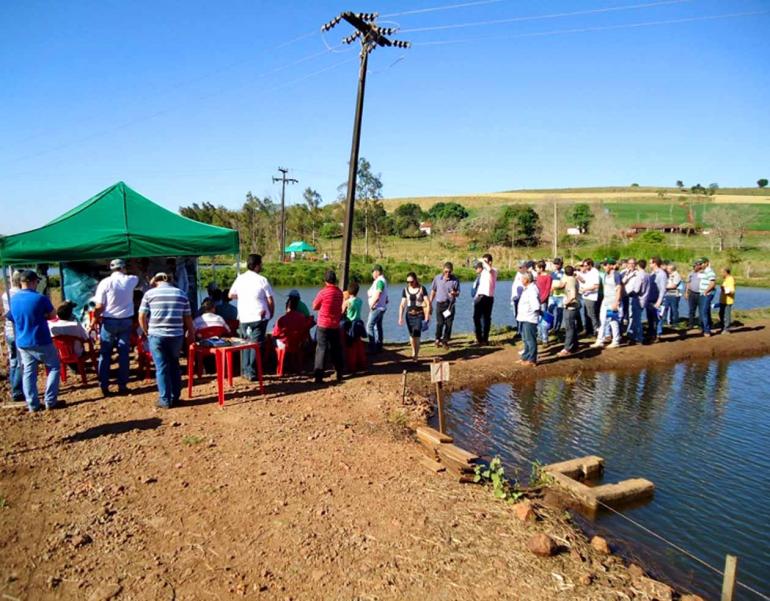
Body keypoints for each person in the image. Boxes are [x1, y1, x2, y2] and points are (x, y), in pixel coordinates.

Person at [7, 270, 61, 412]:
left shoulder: (13, 299)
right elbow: (53, 315)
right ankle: (50, 400)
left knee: (29, 372)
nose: (37, 284)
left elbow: (10, 316)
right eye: (37, 281)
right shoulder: (40, 298)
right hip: (41, 339)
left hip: (23, 341)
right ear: (32, 281)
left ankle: (33, 404)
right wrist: (42, 315)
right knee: (54, 367)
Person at [138, 273, 194, 408]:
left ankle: (165, 400)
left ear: (155, 281)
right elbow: (187, 318)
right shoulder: (181, 294)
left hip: (156, 335)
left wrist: (146, 331)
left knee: (161, 367)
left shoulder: (149, 294)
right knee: (174, 364)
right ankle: (176, 396)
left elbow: (142, 316)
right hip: (176, 335)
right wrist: (190, 332)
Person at [94, 258, 139, 396]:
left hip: (109, 321)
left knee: (105, 353)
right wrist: (133, 265)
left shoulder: (105, 282)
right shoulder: (131, 280)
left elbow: (99, 306)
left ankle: (104, 385)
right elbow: (137, 274)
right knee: (124, 353)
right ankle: (122, 385)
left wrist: (94, 319)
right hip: (126, 321)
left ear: (111, 269)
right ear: (124, 268)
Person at [229, 254, 275, 381]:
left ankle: (245, 370)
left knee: (245, 343)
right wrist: (271, 314)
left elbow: (230, 294)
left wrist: (243, 297)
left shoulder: (240, 278)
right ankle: (252, 372)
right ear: (256, 265)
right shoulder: (262, 279)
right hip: (259, 316)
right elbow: (270, 300)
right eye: (261, 264)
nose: (262, 266)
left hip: (243, 317)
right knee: (255, 345)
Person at [312, 270, 344, 383]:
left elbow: (314, 306)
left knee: (321, 349)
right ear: (335, 280)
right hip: (335, 325)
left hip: (323, 325)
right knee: (336, 349)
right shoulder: (340, 293)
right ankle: (339, 372)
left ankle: (319, 376)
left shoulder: (323, 292)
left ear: (325, 281)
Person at [1, 270, 24, 402]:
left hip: (9, 331)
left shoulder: (6, 293)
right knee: (21, 362)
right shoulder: (19, 294)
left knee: (14, 361)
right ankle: (17, 391)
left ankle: (15, 388)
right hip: (18, 332)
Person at [398, 272, 431, 361]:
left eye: (411, 281)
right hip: (409, 315)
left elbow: (427, 303)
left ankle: (416, 355)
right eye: (407, 282)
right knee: (412, 335)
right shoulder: (405, 290)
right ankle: (413, 351)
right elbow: (402, 304)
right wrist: (400, 317)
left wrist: (427, 316)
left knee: (417, 334)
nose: (409, 283)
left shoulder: (422, 289)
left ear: (415, 280)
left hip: (419, 314)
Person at [592, 260, 622, 349]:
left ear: (611, 265)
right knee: (602, 321)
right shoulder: (605, 275)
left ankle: (616, 340)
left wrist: (616, 303)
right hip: (605, 301)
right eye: (603, 265)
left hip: (613, 302)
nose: (604, 267)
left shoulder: (616, 275)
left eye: (605, 265)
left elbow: (619, 289)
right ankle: (600, 340)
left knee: (613, 321)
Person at [429, 262, 460, 348]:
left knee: (449, 324)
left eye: (449, 272)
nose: (447, 273)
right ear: (443, 270)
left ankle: (445, 341)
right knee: (440, 323)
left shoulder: (455, 280)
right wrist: (430, 302)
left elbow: (458, 293)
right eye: (446, 271)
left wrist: (454, 293)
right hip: (440, 305)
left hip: (450, 305)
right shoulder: (437, 278)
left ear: (452, 271)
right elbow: (433, 290)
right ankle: (437, 339)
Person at [516, 272, 540, 366]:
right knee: (526, 339)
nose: (521, 280)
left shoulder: (532, 290)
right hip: (524, 318)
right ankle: (525, 357)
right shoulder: (528, 288)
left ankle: (532, 360)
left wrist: (534, 313)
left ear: (526, 280)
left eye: (522, 279)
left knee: (530, 340)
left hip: (529, 318)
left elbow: (536, 305)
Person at [472, 254, 497, 345]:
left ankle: (484, 339)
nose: (483, 263)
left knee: (486, 319)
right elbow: (480, 286)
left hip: (487, 297)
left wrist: (483, 261)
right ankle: (479, 339)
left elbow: (489, 269)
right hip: (480, 297)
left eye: (486, 261)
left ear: (490, 262)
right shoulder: (483, 272)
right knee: (476, 318)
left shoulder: (493, 271)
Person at [557, 265, 579, 357]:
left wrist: (566, 303)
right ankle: (574, 345)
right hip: (573, 307)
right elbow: (561, 284)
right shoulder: (572, 278)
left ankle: (567, 349)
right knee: (572, 326)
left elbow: (573, 296)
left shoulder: (570, 281)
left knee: (569, 328)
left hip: (570, 307)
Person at [366, 264, 388, 353]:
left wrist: (372, 305)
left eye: (373, 272)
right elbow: (385, 297)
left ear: (376, 272)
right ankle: (379, 346)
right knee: (378, 326)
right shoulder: (382, 281)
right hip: (381, 307)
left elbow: (378, 293)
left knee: (369, 326)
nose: (372, 274)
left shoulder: (380, 281)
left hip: (377, 308)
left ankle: (372, 347)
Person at [577, 259, 600, 338]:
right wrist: (579, 277)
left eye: (586, 265)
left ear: (590, 265)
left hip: (591, 296)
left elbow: (596, 286)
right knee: (587, 314)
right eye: (584, 265)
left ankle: (596, 331)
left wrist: (586, 289)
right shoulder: (588, 272)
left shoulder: (595, 272)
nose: (584, 267)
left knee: (592, 314)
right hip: (586, 295)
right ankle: (589, 330)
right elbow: (585, 281)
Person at [623, 258, 643, 344]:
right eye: (630, 263)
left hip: (633, 296)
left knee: (632, 315)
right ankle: (625, 332)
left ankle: (632, 334)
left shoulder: (638, 273)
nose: (631, 265)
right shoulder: (624, 272)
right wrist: (628, 275)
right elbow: (622, 282)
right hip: (624, 296)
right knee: (623, 315)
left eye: (633, 263)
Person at [648, 257, 668, 341]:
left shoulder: (662, 274)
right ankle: (651, 334)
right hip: (650, 299)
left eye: (650, 263)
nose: (649, 265)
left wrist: (659, 302)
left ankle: (658, 335)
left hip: (658, 300)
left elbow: (663, 289)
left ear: (655, 263)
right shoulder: (652, 273)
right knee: (650, 318)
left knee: (658, 318)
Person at [535, 260, 553, 345]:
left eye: (537, 268)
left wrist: (541, 300)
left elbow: (547, 290)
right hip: (537, 301)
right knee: (538, 319)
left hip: (543, 301)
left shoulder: (548, 277)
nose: (536, 270)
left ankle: (545, 339)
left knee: (544, 320)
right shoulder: (538, 276)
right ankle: (539, 337)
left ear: (541, 268)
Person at [698, 257, 717, 336]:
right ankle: (705, 328)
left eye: (701, 263)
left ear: (706, 263)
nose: (700, 265)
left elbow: (712, 283)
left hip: (707, 294)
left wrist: (706, 291)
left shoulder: (710, 271)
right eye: (700, 263)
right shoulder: (704, 271)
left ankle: (707, 331)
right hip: (702, 293)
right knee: (703, 312)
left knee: (704, 312)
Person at [549, 258, 566, 335]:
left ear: (561, 264)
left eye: (557, 264)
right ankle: (550, 327)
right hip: (553, 296)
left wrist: (555, 288)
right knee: (550, 311)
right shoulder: (552, 273)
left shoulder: (564, 273)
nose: (556, 265)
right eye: (555, 264)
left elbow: (564, 285)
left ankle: (557, 328)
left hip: (561, 296)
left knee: (559, 313)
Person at [663, 263, 683, 327]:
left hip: (674, 295)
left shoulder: (676, 275)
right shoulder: (668, 275)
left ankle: (675, 322)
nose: (667, 269)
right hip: (667, 294)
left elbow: (674, 286)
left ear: (671, 269)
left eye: (668, 268)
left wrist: (664, 287)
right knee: (665, 308)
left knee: (674, 309)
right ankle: (664, 321)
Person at [510, 263, 527, 334]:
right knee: (516, 315)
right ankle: (519, 329)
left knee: (521, 315)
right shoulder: (518, 274)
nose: (519, 269)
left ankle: (520, 331)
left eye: (521, 267)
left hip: (521, 299)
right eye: (519, 267)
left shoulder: (526, 276)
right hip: (515, 298)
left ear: (525, 268)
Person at [685, 260, 702, 329]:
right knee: (691, 309)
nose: (694, 267)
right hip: (692, 293)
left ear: (699, 266)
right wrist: (686, 292)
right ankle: (691, 324)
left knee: (701, 310)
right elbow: (688, 283)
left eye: (695, 266)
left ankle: (701, 324)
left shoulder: (703, 274)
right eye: (693, 266)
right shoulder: (690, 274)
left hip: (700, 294)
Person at [719, 267, 736, 333]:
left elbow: (732, 291)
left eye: (722, 272)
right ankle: (723, 327)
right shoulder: (726, 279)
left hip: (728, 300)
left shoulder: (730, 279)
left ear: (726, 272)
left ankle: (726, 329)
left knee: (726, 314)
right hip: (723, 300)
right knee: (721, 314)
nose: (721, 274)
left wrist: (724, 289)